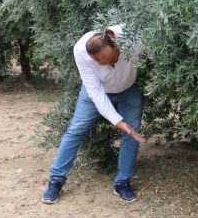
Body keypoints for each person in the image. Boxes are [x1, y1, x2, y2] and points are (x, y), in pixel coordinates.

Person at [43, 24, 146, 204]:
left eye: (111, 59)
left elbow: (158, 50)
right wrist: (118, 121)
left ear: (115, 43)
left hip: (128, 90)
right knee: (77, 129)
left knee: (132, 134)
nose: (109, 65)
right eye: (100, 63)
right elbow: (96, 93)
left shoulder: (132, 36)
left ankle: (122, 183)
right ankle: (56, 180)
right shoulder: (80, 50)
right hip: (96, 92)